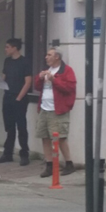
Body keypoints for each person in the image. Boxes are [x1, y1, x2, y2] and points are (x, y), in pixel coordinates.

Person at [35, 48, 77, 177]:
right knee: (45, 136)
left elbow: (69, 88)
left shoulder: (67, 70)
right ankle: (50, 165)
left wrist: (54, 80)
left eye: (49, 55)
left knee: (60, 137)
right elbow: (37, 87)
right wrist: (39, 78)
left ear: (57, 57)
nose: (46, 57)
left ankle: (69, 163)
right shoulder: (46, 69)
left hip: (58, 109)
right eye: (46, 55)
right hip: (44, 108)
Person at [0, 38, 32, 166]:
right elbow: (4, 77)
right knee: (9, 127)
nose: (5, 49)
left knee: (21, 126)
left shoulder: (25, 62)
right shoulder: (7, 61)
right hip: (8, 96)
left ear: (15, 48)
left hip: (19, 98)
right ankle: (7, 153)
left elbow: (28, 82)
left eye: (7, 47)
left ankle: (24, 154)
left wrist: (19, 98)